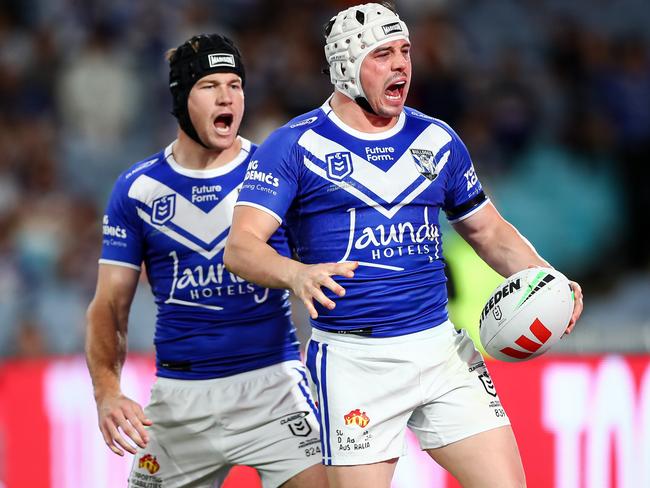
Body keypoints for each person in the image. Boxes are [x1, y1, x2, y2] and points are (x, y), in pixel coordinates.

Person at [223, 3, 584, 488]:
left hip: (442, 352)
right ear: (348, 67)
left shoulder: (437, 139)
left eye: (405, 51)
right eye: (383, 54)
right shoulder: (293, 146)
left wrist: (548, 279)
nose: (402, 65)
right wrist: (296, 274)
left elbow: (489, 231)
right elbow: (240, 248)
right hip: (354, 363)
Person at [85, 34, 326, 488]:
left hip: (275, 387)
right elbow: (109, 306)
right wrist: (106, 393)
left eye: (235, 84)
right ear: (180, 98)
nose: (227, 97)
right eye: (210, 85)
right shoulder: (137, 189)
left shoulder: (276, 171)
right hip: (179, 401)